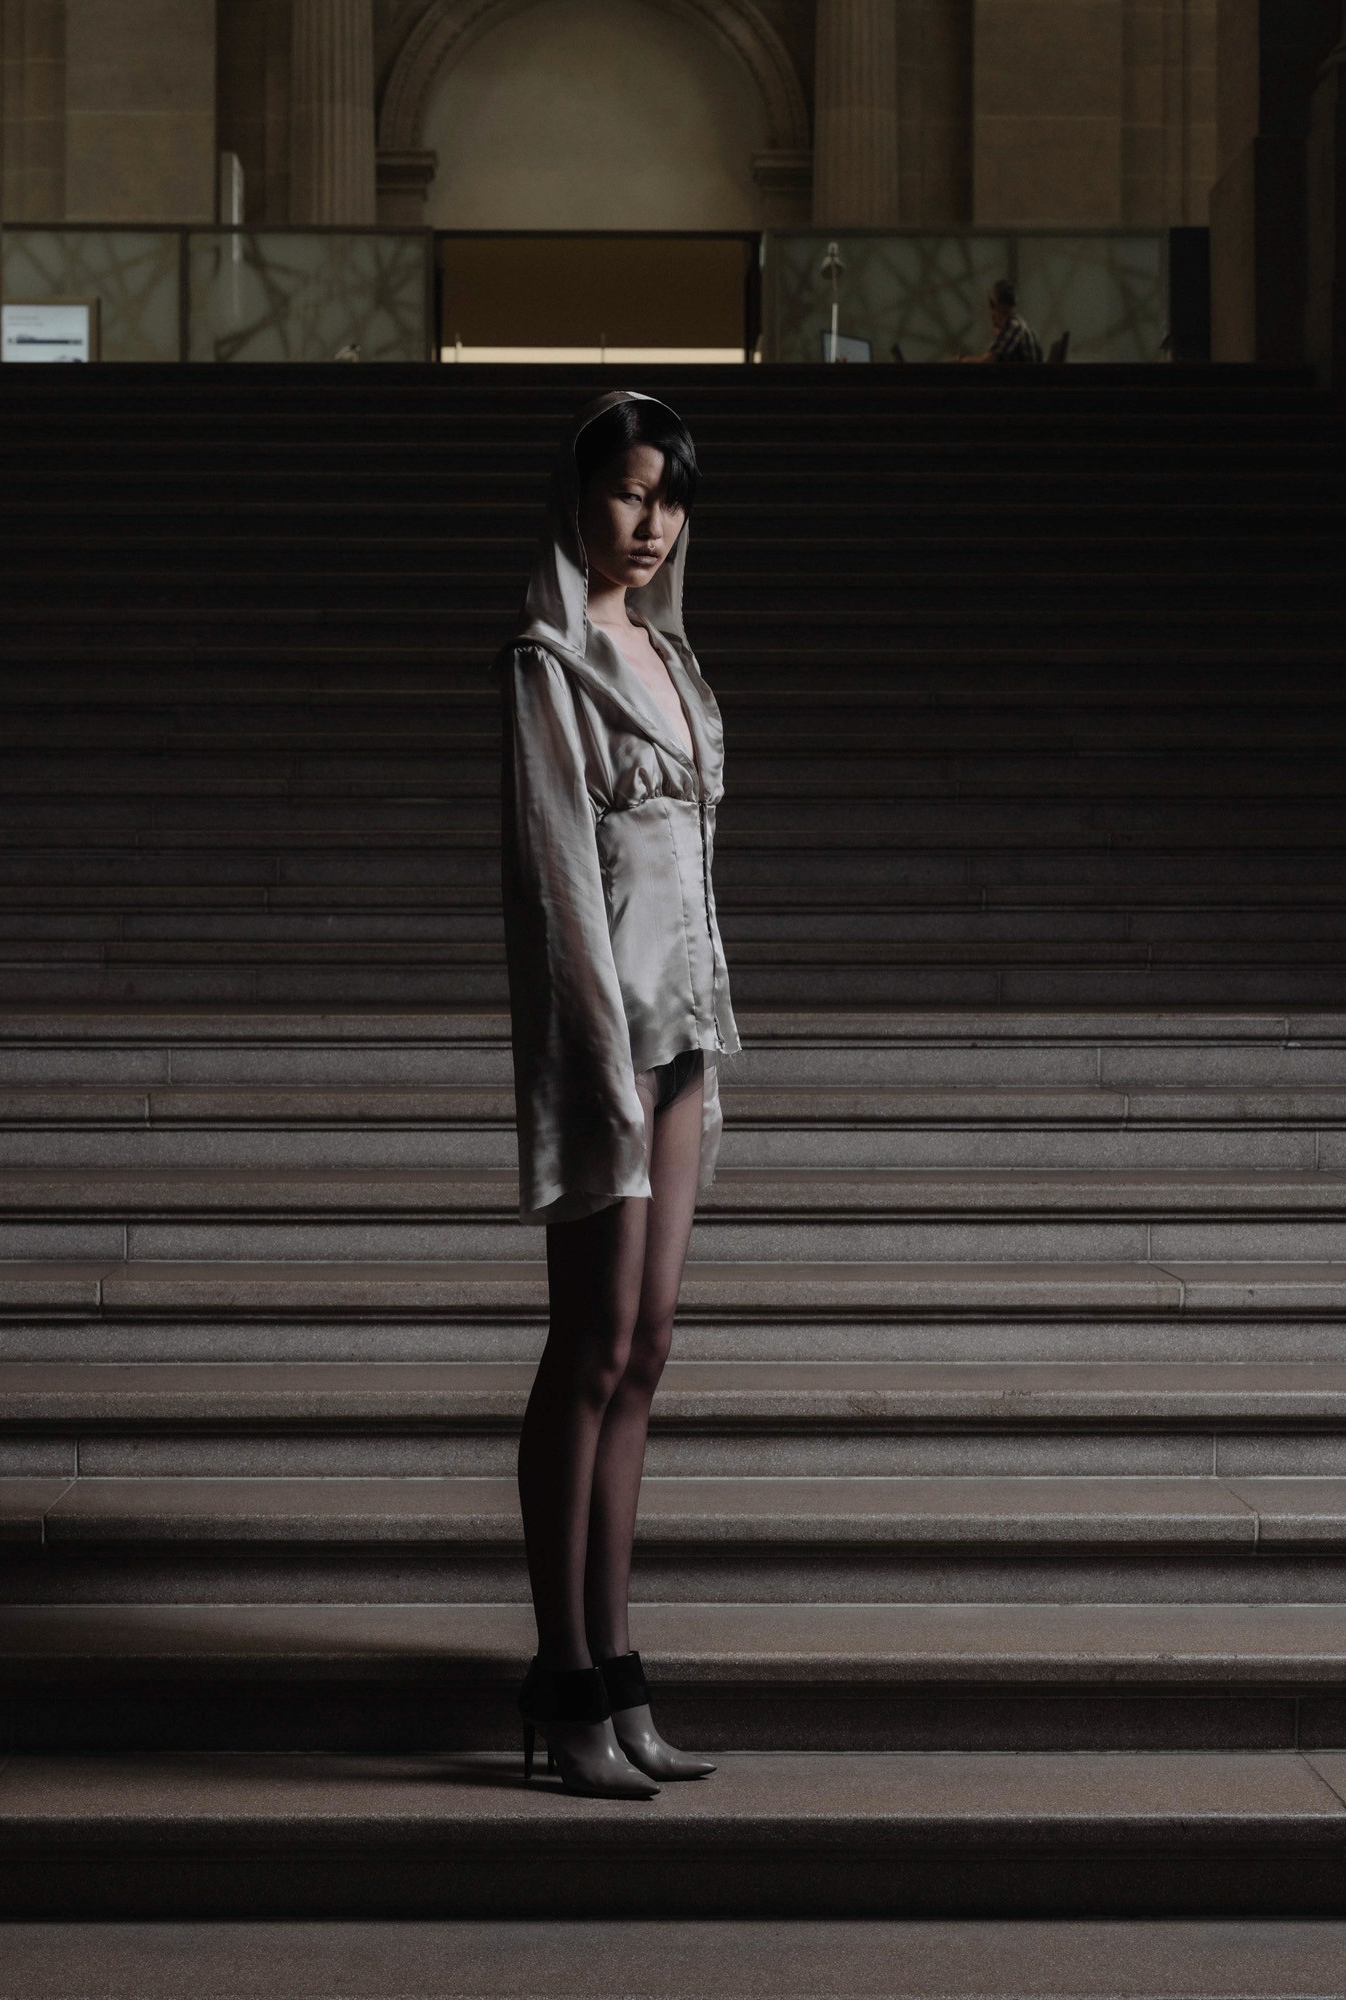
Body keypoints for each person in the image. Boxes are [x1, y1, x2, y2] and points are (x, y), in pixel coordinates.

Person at [490, 389, 741, 1800]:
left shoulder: (667, 654)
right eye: (629, 492)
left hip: (689, 1032)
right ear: (581, 496)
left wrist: (704, 1033)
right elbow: (557, 890)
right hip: (608, 1045)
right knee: (586, 1350)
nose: (650, 522)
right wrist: (597, 1070)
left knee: (645, 1352)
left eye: (669, 498)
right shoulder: (548, 659)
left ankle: (621, 1670)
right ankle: (563, 1674)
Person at [954, 278, 1044, 364]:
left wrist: (961, 360)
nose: (991, 313)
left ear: (1000, 306)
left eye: (992, 305)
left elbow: (989, 360)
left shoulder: (1014, 326)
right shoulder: (1020, 325)